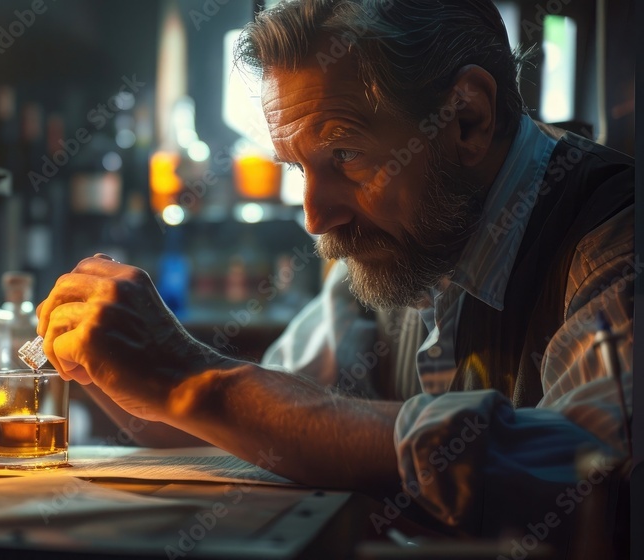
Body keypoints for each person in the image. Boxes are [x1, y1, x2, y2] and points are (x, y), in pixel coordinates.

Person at [35, 0, 634, 554]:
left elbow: (593, 470)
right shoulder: (394, 248)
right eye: (298, 166)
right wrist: (116, 362)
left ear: (467, 119)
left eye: (345, 155)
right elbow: (264, 422)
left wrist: (194, 379)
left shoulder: (614, 238)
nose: (317, 217)